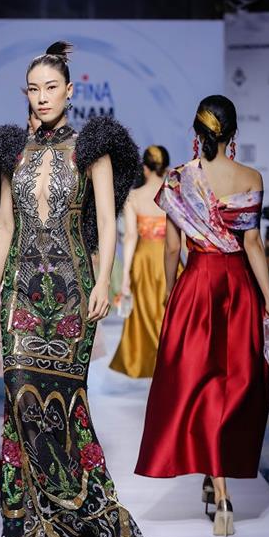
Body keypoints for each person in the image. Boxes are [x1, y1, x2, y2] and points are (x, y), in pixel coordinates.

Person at [0, 41, 144, 537]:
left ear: (70, 91)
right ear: (25, 94)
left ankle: (75, 529)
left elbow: (108, 221)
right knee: (22, 401)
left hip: (72, 291)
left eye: (51, 87)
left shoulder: (91, 149)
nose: (43, 97)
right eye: (34, 89)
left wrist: (105, 281)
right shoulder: (12, 150)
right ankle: (41, 532)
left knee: (66, 407)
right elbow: (5, 227)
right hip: (20, 293)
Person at [135, 95, 269, 537]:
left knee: (198, 383)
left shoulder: (179, 179)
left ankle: (220, 494)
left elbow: (172, 249)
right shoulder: (251, 177)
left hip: (197, 286)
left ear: (197, 133)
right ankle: (216, 481)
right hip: (239, 287)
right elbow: (252, 244)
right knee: (232, 384)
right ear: (233, 133)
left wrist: (171, 292)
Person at [109, 145, 170, 378]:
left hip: (143, 262)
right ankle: (171, 361)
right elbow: (183, 239)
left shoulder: (134, 197)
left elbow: (131, 237)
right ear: (165, 167)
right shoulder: (173, 194)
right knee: (169, 314)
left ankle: (152, 363)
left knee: (146, 314)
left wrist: (125, 278)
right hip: (168, 259)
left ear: (145, 168)